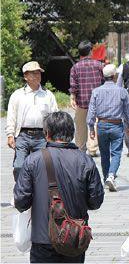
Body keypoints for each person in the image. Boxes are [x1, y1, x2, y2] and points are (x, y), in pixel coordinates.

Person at [14, 111, 104, 263]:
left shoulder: (33, 161)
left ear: (47, 134)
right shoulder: (86, 161)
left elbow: (21, 201)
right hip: (74, 237)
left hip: (43, 239)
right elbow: (96, 201)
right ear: (72, 133)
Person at [6, 61, 58, 181]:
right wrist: (10, 135)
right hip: (22, 135)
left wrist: (54, 135)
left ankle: (38, 194)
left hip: (42, 136)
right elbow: (11, 116)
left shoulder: (48, 95)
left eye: (38, 72)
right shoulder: (17, 95)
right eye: (33, 73)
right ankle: (20, 193)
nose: (37, 75)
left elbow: (55, 116)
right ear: (25, 76)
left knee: (43, 167)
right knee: (19, 166)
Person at [87, 64, 129, 192]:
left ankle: (106, 178)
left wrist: (91, 127)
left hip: (101, 125)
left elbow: (91, 111)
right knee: (116, 153)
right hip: (116, 125)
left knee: (104, 154)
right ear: (114, 76)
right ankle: (111, 175)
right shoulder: (122, 91)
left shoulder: (96, 91)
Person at [69, 41, 104, 158]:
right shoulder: (99, 65)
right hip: (97, 102)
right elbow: (104, 82)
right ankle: (93, 148)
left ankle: (80, 148)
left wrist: (72, 97)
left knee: (80, 126)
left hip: (81, 101)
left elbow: (74, 85)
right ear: (90, 51)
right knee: (95, 124)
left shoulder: (75, 67)